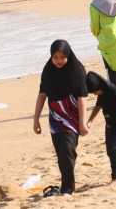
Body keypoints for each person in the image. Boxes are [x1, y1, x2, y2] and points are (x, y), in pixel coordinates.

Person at [32, 41, 88, 197]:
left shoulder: (77, 71)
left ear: (68, 56)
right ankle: (67, 185)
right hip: (55, 119)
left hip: (73, 118)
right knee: (61, 154)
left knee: (67, 149)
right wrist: (36, 120)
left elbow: (82, 98)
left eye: (63, 57)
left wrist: (82, 123)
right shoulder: (48, 71)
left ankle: (67, 189)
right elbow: (42, 95)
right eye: (55, 57)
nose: (59, 60)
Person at [84, 72, 116, 186]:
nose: (94, 94)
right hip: (109, 124)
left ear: (99, 86)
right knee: (110, 150)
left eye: (94, 91)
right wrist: (90, 121)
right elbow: (97, 107)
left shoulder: (113, 90)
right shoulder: (102, 94)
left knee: (115, 150)